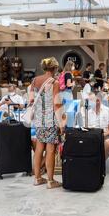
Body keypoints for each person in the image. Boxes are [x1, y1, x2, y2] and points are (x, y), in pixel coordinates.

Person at [29, 57, 65, 189]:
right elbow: (56, 104)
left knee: (39, 149)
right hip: (50, 120)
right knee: (50, 150)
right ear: (54, 68)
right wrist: (61, 123)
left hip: (39, 120)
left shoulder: (34, 81)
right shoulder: (54, 82)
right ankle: (50, 181)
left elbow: (31, 100)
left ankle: (37, 178)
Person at [78, 92, 109, 160]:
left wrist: (100, 136)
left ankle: (101, 163)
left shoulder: (108, 111)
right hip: (90, 137)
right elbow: (83, 128)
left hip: (104, 137)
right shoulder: (87, 113)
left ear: (99, 100)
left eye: (92, 100)